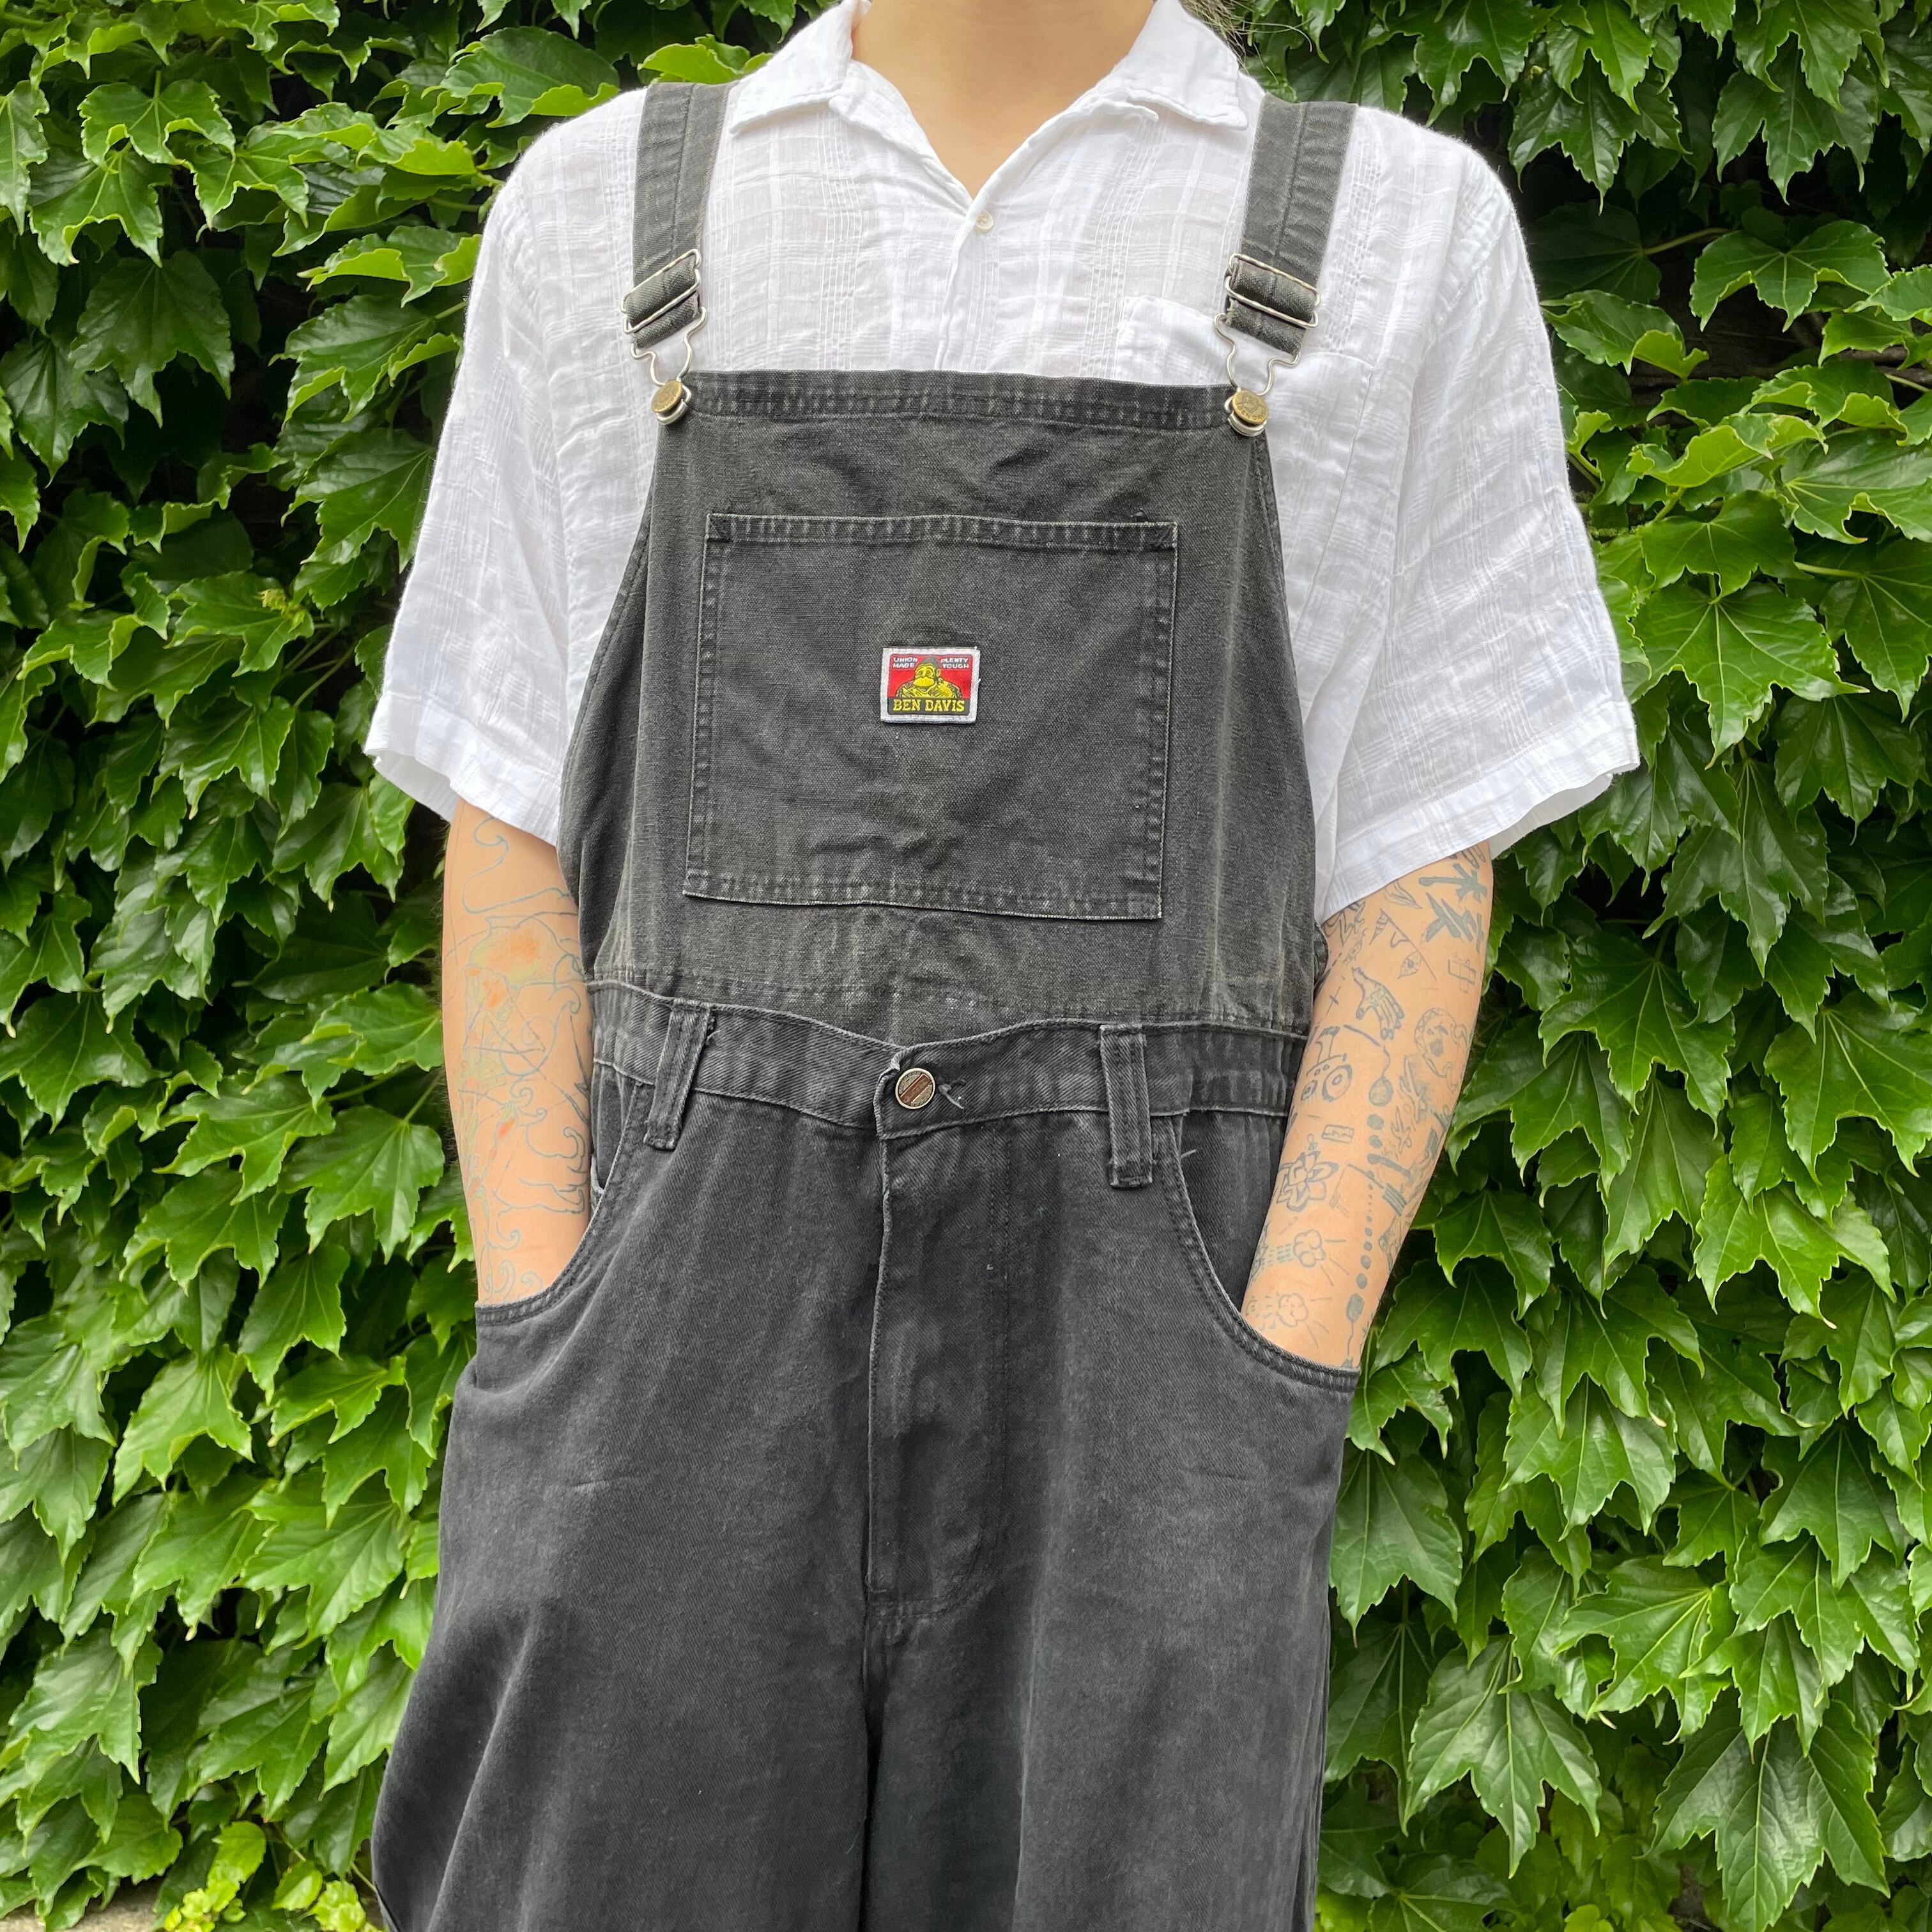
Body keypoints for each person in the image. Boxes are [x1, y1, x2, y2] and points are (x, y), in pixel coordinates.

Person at [364, 0, 1638, 1926]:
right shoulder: (601, 218)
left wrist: (1268, 1389)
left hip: (1148, 1406)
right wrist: (552, 1335)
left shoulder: (1397, 235)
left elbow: (1417, 866)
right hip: (653, 1388)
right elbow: (509, 818)